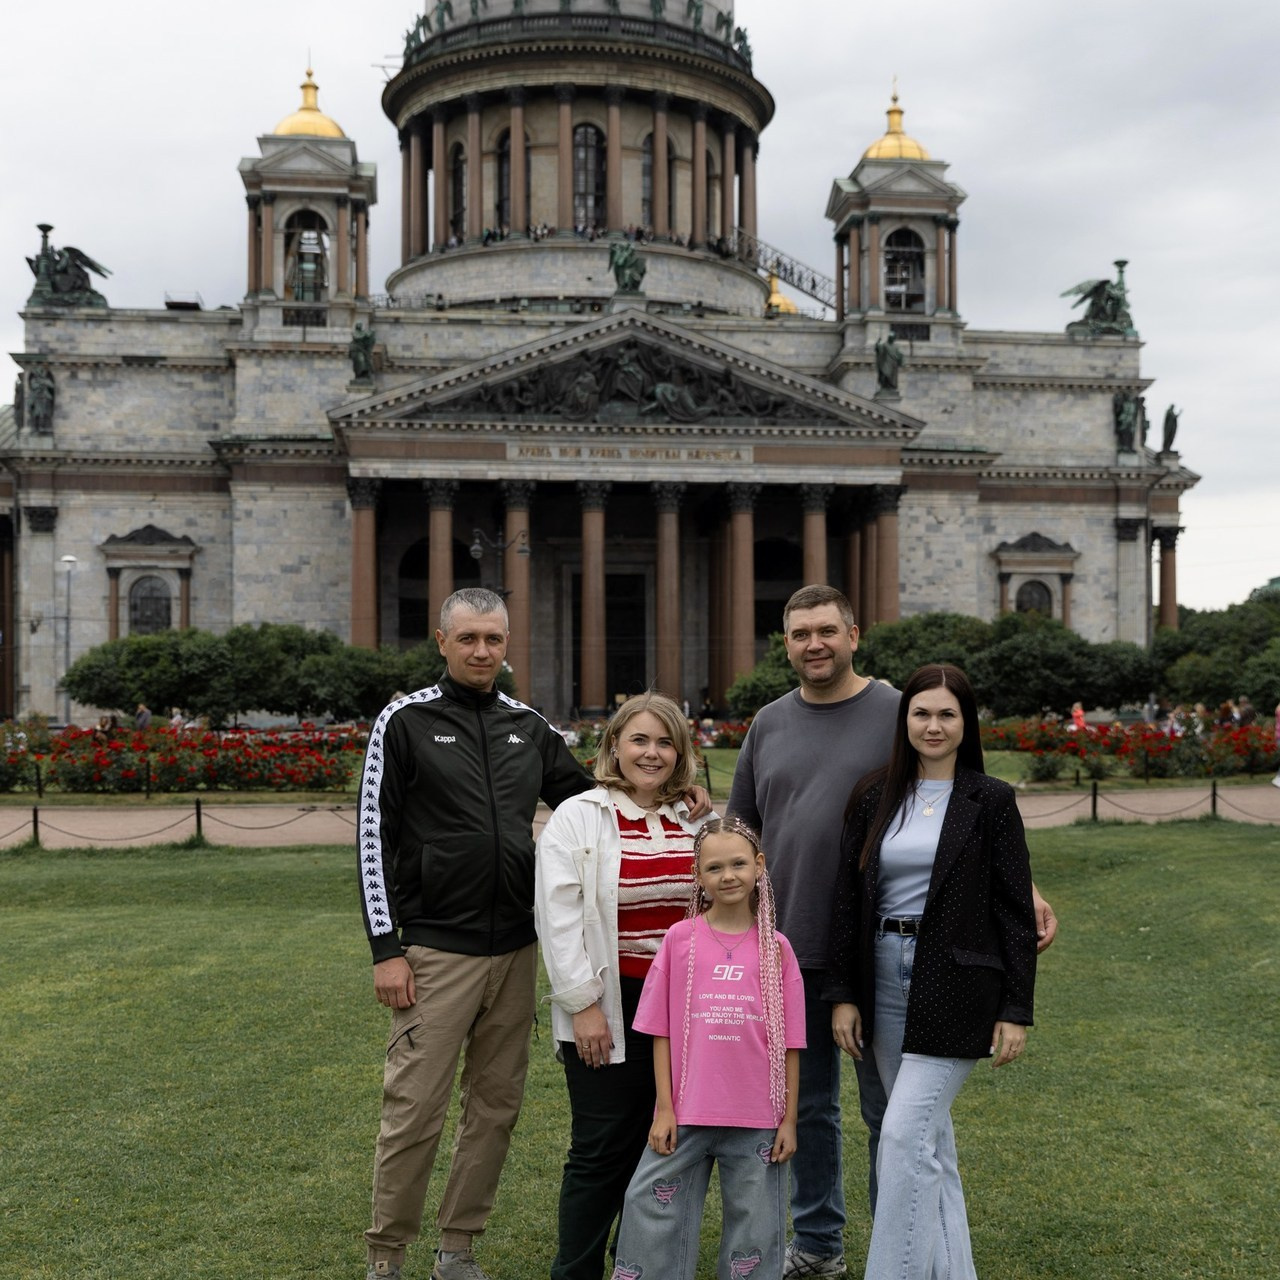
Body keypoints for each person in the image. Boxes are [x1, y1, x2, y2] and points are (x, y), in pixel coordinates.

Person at [728, 584, 1057, 1278]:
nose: (813, 644)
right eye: (798, 634)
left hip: (875, 948)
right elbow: (743, 829)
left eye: (826, 630)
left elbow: (962, 804)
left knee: (894, 1118)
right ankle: (819, 1247)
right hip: (787, 947)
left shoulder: (898, 709)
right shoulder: (768, 724)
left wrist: (1021, 887)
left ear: (855, 633)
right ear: (784, 645)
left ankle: (901, 1247)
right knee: (807, 1108)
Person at [357, 588, 596, 1280]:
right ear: (442, 641)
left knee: (493, 1110)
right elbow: (372, 837)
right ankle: (386, 1256)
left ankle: (457, 1249)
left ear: (507, 642)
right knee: (414, 1111)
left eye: (494, 639)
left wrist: (672, 794)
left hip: (515, 951)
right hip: (432, 951)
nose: (482, 651)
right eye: (468, 639)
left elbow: (588, 802)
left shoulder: (527, 725)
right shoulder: (403, 721)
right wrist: (386, 948)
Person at [827, 663, 1037, 1280]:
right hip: (883, 978)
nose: (934, 725)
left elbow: (1015, 911)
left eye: (947, 714)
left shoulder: (990, 800)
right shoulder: (874, 794)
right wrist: (843, 994)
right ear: (906, 720)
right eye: (922, 713)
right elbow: (847, 899)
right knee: (928, 1146)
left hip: (958, 982)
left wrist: (1015, 1009)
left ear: (965, 722)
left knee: (901, 1139)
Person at [535, 693, 713, 1280]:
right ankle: (576, 1270)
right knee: (600, 1151)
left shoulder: (698, 821)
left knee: (664, 1147)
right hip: (613, 1005)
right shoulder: (579, 816)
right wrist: (584, 1007)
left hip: (689, 1011)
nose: (652, 753)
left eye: (665, 742)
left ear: (681, 752)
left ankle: (637, 1265)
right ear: (614, 745)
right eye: (639, 740)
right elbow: (558, 922)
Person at [609, 817, 806, 1280]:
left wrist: (790, 1119)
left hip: (758, 1118)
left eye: (739, 863)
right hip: (686, 1112)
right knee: (648, 1203)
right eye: (714, 868)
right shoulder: (681, 940)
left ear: (759, 866)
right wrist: (664, 1108)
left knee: (754, 1230)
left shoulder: (776, 949)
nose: (728, 875)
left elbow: (791, 1044)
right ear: (698, 877)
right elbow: (660, 1032)